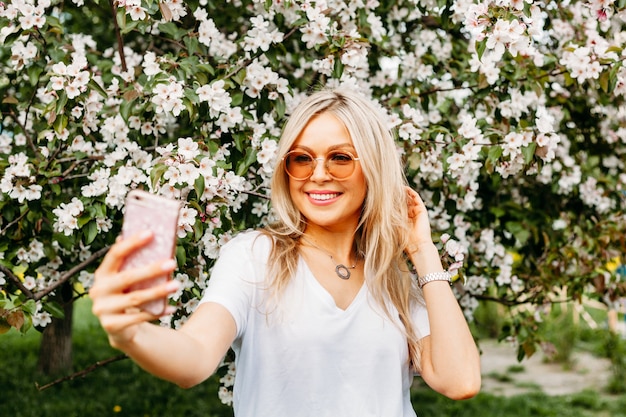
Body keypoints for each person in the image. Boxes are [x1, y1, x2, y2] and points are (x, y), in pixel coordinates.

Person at [90, 88, 481, 417]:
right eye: (302, 158)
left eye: (341, 157)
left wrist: (422, 250)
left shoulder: (392, 278)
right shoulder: (255, 256)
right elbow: (193, 357)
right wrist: (131, 333)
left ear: (373, 169)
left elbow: (459, 380)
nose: (319, 173)